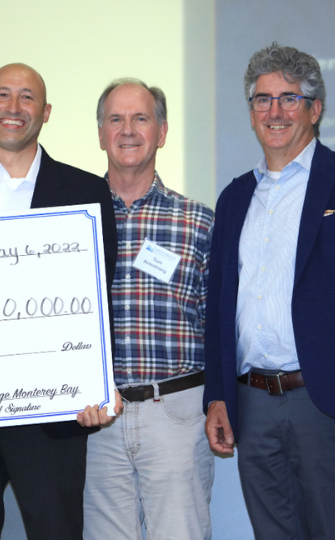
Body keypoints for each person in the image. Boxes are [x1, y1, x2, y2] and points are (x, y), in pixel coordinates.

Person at [203, 43, 335, 539]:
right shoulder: (235, 196)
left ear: (315, 109)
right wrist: (217, 395)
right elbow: (218, 306)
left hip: (327, 401)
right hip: (252, 404)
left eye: (289, 98)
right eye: (262, 99)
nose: (274, 112)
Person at [0, 62, 118, 540]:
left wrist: (96, 380)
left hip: (49, 411)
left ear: (46, 112)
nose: (14, 108)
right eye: (3, 95)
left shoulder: (85, 190)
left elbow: (98, 295)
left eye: (28, 97)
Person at [77, 79, 214, 539]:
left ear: (162, 131)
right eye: (115, 119)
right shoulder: (72, 218)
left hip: (175, 412)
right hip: (95, 419)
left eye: (141, 118)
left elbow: (215, 323)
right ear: (100, 134)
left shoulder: (198, 220)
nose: (128, 130)